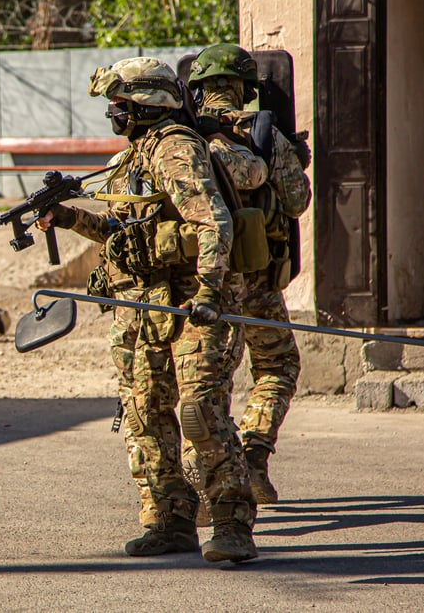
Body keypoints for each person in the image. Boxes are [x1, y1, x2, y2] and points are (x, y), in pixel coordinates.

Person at [37, 56, 257, 563]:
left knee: (200, 411)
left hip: (192, 306)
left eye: (119, 104)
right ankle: (169, 520)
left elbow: (213, 223)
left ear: (145, 104)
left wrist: (208, 292)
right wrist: (68, 217)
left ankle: (232, 523)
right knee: (145, 414)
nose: (113, 113)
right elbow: (122, 234)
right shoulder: (132, 158)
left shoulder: (175, 150)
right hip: (142, 310)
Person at [184, 43, 312, 507]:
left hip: (204, 282)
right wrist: (295, 159)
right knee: (277, 366)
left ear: (197, 89)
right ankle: (254, 457)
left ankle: (204, 481)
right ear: (244, 88)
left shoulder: (181, 139)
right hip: (256, 277)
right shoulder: (262, 133)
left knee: (204, 381)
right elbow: (297, 203)